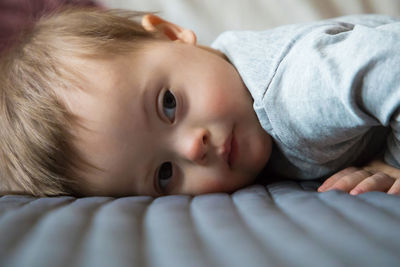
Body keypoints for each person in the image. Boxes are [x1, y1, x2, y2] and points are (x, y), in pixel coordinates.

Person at [0, 7, 399, 197]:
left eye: (169, 104)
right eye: (164, 175)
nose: (193, 147)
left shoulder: (295, 91)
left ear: (171, 34)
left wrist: (391, 162)